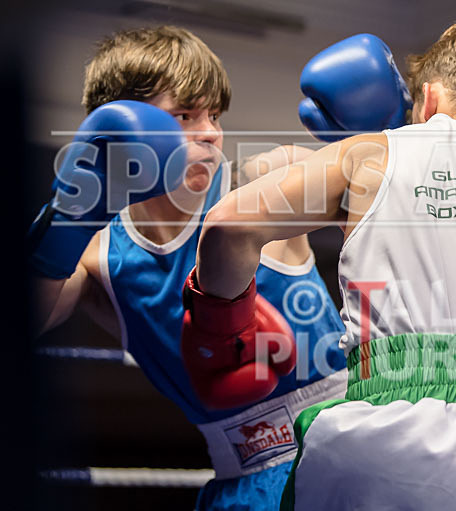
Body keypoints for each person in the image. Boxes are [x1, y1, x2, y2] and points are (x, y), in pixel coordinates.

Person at [186, 16, 456, 511]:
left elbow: (229, 226)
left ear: (426, 101)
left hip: (389, 444)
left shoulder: (374, 154)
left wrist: (219, 331)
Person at [28, 26, 350, 511]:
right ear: (123, 129)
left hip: (356, 456)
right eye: (184, 115)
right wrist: (71, 213)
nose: (211, 132)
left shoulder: (258, 183)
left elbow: (379, 204)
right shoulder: (101, 260)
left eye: (213, 114)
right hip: (247, 485)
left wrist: (383, 143)